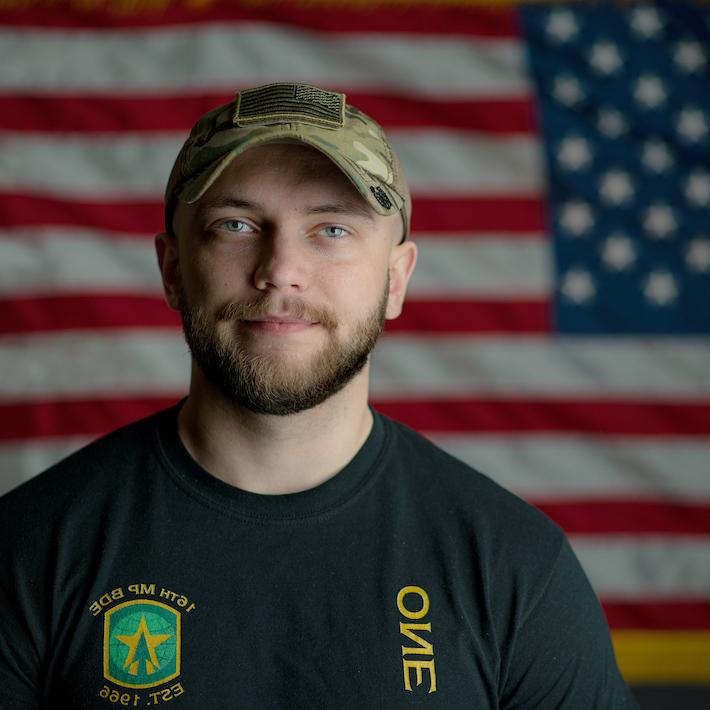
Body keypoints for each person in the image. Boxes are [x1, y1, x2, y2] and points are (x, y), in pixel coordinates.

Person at [0, 82, 638, 709]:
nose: (280, 269)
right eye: (236, 223)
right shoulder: (28, 550)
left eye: (331, 230)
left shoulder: (514, 568)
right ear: (172, 269)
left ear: (395, 280)